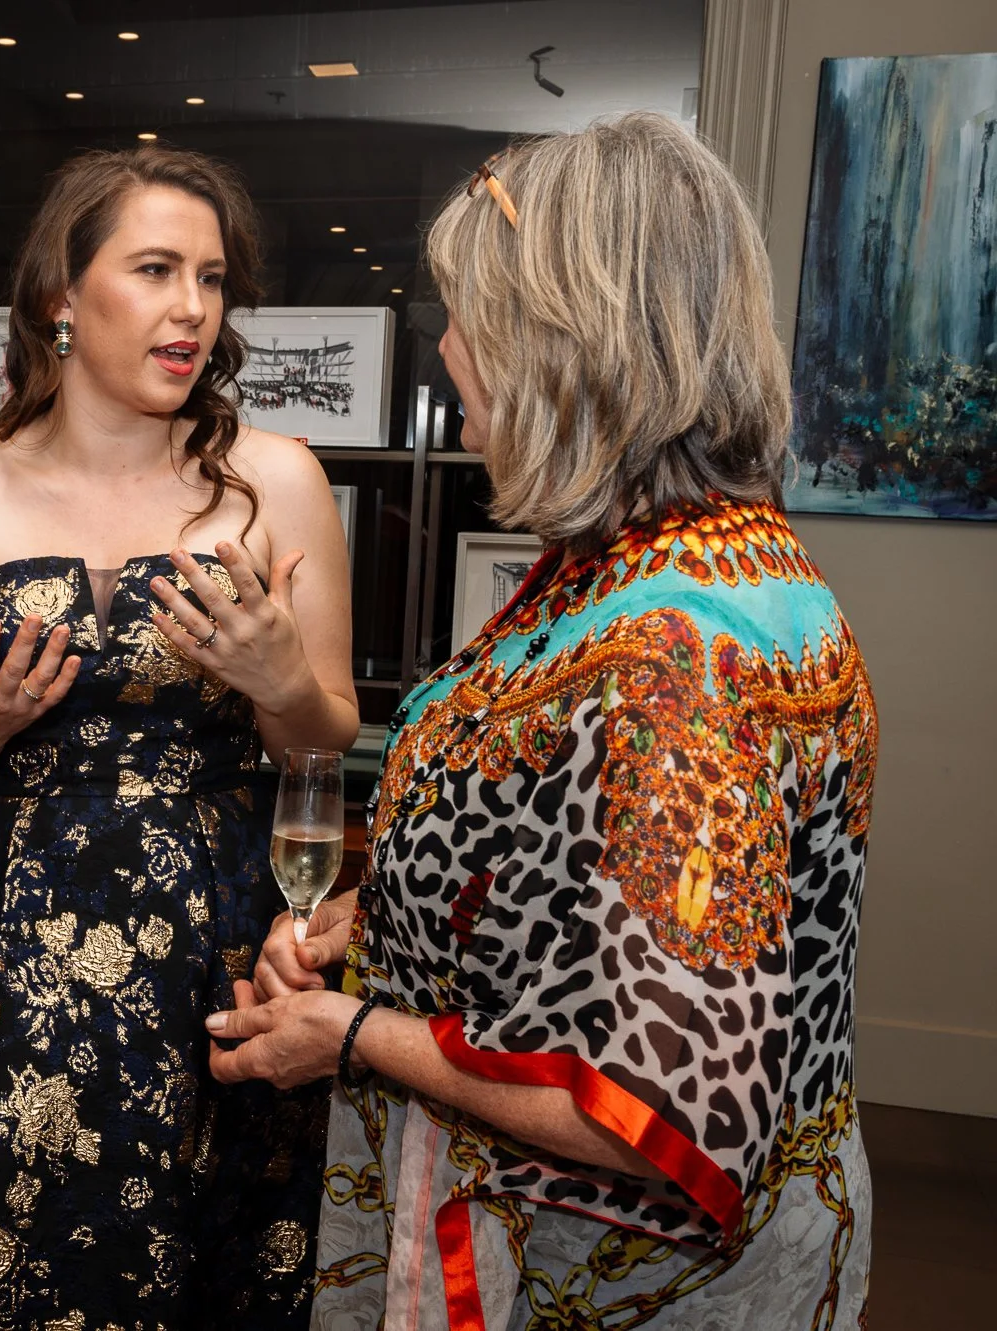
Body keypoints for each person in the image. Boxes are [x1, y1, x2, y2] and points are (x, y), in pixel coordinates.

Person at [207, 112, 877, 1329]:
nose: (446, 348)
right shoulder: (627, 563)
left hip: (621, 1283)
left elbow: (658, 1104)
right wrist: (367, 926)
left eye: (466, 315)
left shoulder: (685, 652)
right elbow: (561, 868)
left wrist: (351, 1030)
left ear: (562, 342)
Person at [0, 145, 361, 1330]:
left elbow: (323, 735)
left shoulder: (277, 479)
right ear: (60, 297)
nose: (191, 307)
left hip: (214, 939)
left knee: (210, 1244)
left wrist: (278, 680)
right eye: (157, 269)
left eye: (211, 278)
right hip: (6, 939)